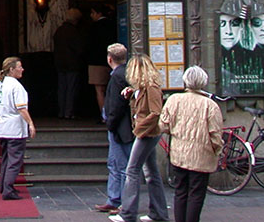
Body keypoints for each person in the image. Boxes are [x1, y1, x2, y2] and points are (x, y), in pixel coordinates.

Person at [108, 53, 169, 222]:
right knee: (151, 173)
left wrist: (140, 129)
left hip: (147, 134)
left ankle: (128, 213)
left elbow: (155, 112)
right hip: (147, 133)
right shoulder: (143, 88)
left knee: (132, 170)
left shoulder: (152, 88)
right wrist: (132, 94)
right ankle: (158, 212)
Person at [159, 66, 222, 222]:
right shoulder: (210, 105)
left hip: (179, 154)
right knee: (196, 194)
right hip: (202, 156)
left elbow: (163, 125)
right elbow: (215, 134)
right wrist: (216, 151)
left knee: (180, 191)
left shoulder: (174, 99)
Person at [95, 43, 132, 215]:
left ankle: (120, 201)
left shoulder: (118, 76)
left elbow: (117, 105)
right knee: (116, 164)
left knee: (119, 165)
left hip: (119, 128)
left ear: (109, 59)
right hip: (120, 127)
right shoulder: (124, 73)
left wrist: (110, 122)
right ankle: (114, 199)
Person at [0, 56, 35, 200]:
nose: (22, 69)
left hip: (2, 126)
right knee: (15, 159)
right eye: (19, 67)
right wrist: (30, 123)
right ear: (11, 69)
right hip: (14, 127)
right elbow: (21, 108)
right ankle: (8, 188)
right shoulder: (16, 86)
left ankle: (4, 185)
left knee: (6, 157)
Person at [53, 8, 85, 119]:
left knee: (62, 88)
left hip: (59, 63)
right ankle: (69, 112)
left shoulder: (59, 30)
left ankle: (61, 112)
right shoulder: (74, 32)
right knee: (71, 88)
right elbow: (79, 49)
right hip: (72, 64)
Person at [87, 6, 114, 123]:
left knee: (99, 91)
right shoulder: (112, 25)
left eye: (92, 12)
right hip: (111, 61)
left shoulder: (94, 27)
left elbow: (89, 45)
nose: (91, 15)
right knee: (111, 89)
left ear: (98, 13)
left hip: (96, 62)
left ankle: (104, 116)